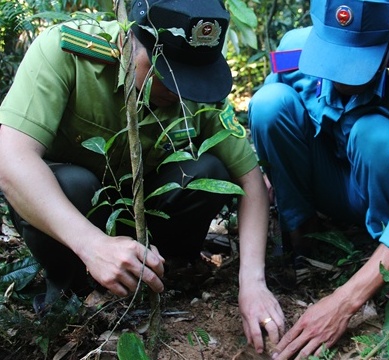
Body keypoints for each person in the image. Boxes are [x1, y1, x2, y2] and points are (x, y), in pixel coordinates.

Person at [0, 0, 282, 335]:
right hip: (74, 223)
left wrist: (252, 282)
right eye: (165, 72)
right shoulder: (67, 53)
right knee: (74, 183)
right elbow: (10, 158)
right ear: (128, 39)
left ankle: (168, 275)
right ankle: (68, 290)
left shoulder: (196, 95)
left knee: (207, 170)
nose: (177, 90)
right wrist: (92, 244)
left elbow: (251, 181)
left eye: (190, 78)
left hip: (149, 222)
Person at [247, 0, 389, 358]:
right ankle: (302, 237)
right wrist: (270, 176)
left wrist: (344, 302)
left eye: (357, 65)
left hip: (376, 196)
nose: (342, 76)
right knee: (268, 104)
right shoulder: (294, 49)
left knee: (373, 134)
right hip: (322, 183)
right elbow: (276, 125)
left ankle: (384, 267)